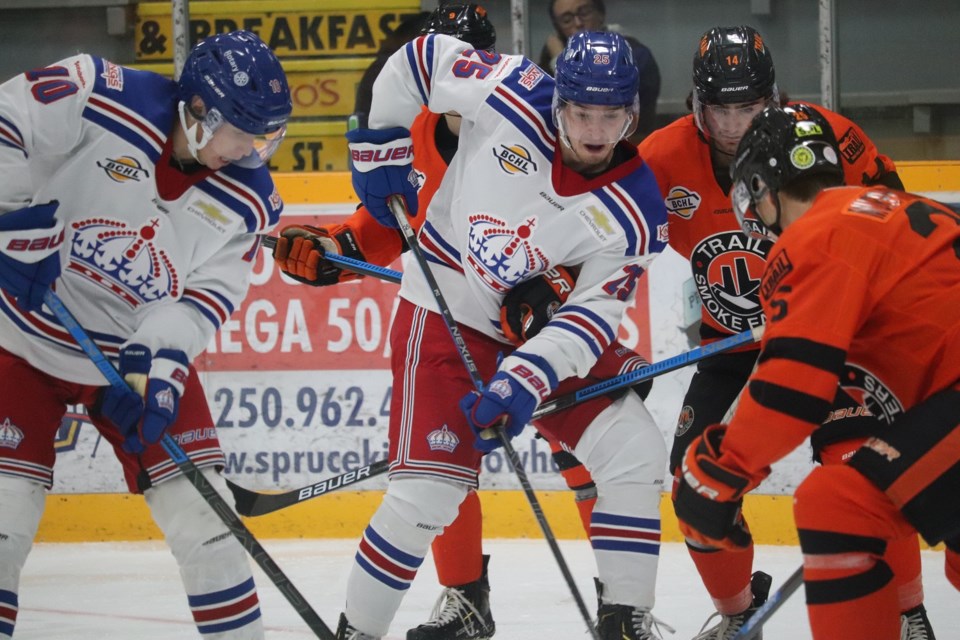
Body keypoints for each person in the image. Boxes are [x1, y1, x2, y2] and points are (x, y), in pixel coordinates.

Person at [275, 7, 658, 640]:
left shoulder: (635, 207)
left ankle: (625, 621)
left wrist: (522, 382)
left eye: (611, 117)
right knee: (424, 497)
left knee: (633, 450)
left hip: (541, 333)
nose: (594, 132)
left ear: (632, 116)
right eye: (582, 114)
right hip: (445, 311)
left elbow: (590, 319)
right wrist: (379, 149)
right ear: (558, 100)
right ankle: (358, 632)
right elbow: (415, 63)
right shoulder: (508, 89)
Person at [636, 25, 935, 639]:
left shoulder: (827, 139)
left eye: (750, 107)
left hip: (837, 335)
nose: (736, 123)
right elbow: (609, 239)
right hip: (734, 344)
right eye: (722, 108)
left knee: (857, 466)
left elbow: (893, 225)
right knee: (690, 477)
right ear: (698, 105)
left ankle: (910, 615)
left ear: (773, 99)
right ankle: (741, 611)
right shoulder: (661, 159)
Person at [0, 30, 291, 639]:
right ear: (201, 112)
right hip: (20, 336)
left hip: (128, 351)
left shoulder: (250, 199)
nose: (251, 151)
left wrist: (159, 363)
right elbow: (6, 122)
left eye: (265, 137)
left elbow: (204, 299)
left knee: (208, 529)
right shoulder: (96, 92)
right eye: (244, 132)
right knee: (4, 524)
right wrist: (8, 220)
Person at [537, 0, 660, 142]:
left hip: (624, 142)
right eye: (567, 20)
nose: (578, 23)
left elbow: (595, 97)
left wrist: (558, 63)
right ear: (558, 29)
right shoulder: (555, 52)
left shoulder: (634, 54)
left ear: (601, 14)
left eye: (584, 13)